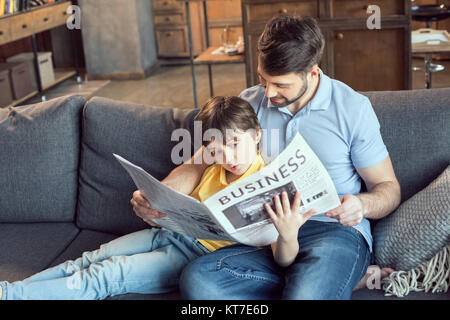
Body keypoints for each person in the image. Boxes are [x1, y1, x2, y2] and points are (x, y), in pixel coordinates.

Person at [131, 15, 400, 300]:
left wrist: (361, 204)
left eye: (281, 85)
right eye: (263, 79)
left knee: (305, 296)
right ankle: (332, 281)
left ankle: (318, 281)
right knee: (199, 281)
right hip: (263, 236)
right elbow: (197, 163)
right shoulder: (251, 102)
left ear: (313, 72)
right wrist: (160, 198)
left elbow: (388, 189)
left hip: (331, 232)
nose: (268, 92)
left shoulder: (352, 109)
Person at [0, 96, 276, 300]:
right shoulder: (211, 162)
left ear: (257, 135)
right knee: (89, 258)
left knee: (107, 274)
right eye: (216, 149)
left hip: (196, 255)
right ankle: (8, 291)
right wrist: (158, 205)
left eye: (235, 144)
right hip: (171, 234)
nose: (227, 157)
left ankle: (14, 297)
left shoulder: (267, 181)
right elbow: (181, 189)